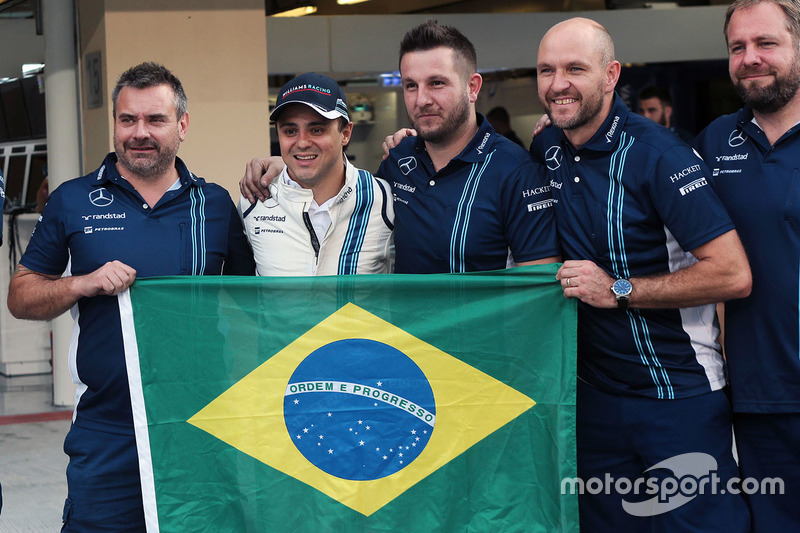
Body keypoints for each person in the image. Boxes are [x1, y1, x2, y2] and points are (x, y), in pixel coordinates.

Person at [6, 62, 254, 532]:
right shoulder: (73, 199)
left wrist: (282, 177)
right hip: (106, 428)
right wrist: (82, 283)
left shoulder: (216, 204)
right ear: (115, 123)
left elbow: (262, 300)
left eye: (155, 120)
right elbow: (21, 296)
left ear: (182, 125)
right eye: (128, 120)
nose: (139, 133)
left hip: (197, 427)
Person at [531, 18, 751, 532]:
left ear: (610, 75)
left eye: (574, 69)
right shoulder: (549, 150)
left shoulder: (660, 154)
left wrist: (620, 290)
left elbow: (733, 273)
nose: (558, 83)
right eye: (546, 70)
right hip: (594, 401)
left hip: (677, 396)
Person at [241, 20, 560, 274]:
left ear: (472, 87)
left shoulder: (517, 171)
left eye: (437, 83)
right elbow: (346, 188)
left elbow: (538, 293)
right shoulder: (398, 160)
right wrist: (291, 168)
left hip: (480, 354)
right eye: (411, 85)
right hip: (402, 353)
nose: (422, 99)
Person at [693, 0, 800, 529]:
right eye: (738, 47)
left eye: (766, 44)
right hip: (755, 399)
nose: (750, 58)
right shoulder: (714, 143)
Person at [239, 72, 394, 276]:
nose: (302, 143)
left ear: (345, 133)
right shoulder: (255, 198)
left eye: (317, 130)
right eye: (290, 131)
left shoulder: (383, 198)